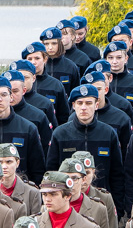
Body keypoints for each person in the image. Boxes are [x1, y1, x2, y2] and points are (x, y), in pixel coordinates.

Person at [45, 84, 125, 215]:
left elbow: (117, 174)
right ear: (73, 105)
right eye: (80, 103)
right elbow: (51, 171)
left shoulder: (108, 133)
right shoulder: (60, 134)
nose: (83, 107)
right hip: (67, 202)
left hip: (101, 202)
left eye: (88, 103)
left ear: (96, 105)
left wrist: (118, 209)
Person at [3, 70, 53, 155]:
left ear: (23, 91)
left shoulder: (38, 116)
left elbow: (47, 150)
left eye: (15, 91)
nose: (10, 96)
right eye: (6, 92)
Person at [82, 70, 133, 153]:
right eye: (91, 90)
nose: (95, 94)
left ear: (106, 90)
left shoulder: (121, 118)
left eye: (98, 89)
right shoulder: (75, 117)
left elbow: (127, 152)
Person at [104, 41, 133, 127]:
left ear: (126, 58)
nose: (114, 62)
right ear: (105, 60)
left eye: (119, 57)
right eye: (110, 58)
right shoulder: (99, 83)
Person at [22, 42, 70, 126]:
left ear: (45, 59)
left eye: (37, 58)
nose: (33, 62)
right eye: (29, 59)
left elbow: (63, 117)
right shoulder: (17, 86)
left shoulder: (56, 85)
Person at [8, 59, 58, 133]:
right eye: (18, 78)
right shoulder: (2, 106)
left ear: (33, 78)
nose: (22, 81)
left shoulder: (44, 104)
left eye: (26, 78)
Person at [0, 143, 42, 216]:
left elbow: (35, 223)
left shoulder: (32, 193)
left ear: (17, 163)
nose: (4, 166)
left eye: (9, 162)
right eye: (0, 162)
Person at [40, 26, 79, 93]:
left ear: (60, 43)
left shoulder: (71, 67)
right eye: (46, 44)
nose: (50, 47)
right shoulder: (39, 66)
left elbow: (76, 92)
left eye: (54, 43)